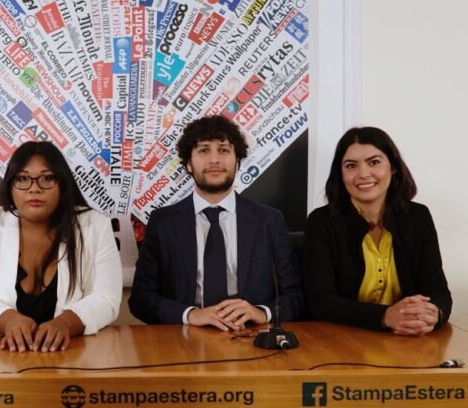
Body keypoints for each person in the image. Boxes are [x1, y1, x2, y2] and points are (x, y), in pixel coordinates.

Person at [129, 115, 304, 329]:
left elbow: (297, 296)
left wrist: (262, 312)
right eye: (204, 150)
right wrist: (190, 315)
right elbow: (140, 299)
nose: (214, 160)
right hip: (184, 340)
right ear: (188, 164)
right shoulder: (163, 222)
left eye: (224, 150)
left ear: (237, 162)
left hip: (250, 337)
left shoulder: (269, 220)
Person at [0, 141, 122, 352]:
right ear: (10, 185)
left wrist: (65, 324)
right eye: (23, 178)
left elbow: (107, 298)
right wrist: (8, 321)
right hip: (2, 355)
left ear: (62, 184)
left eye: (47, 178)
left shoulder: (95, 226)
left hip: (73, 354)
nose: (34, 188)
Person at [304, 127, 451, 334]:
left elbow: (436, 289)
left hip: (406, 338)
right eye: (351, 165)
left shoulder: (418, 217)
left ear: (393, 167)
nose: (363, 174)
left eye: (374, 162)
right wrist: (384, 316)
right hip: (342, 339)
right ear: (341, 173)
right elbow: (321, 301)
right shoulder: (321, 222)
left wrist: (434, 313)